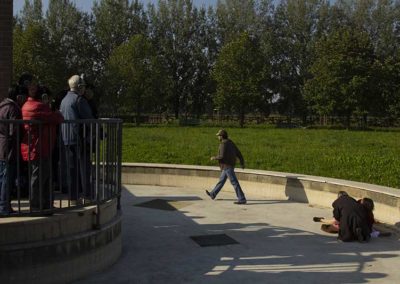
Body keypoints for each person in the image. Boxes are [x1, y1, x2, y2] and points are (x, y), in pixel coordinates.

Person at [20, 77, 64, 211]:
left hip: (36, 146)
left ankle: (43, 204)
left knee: (41, 177)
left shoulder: (27, 105)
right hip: (39, 147)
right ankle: (37, 206)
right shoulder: (38, 107)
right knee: (39, 178)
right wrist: (55, 112)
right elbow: (57, 118)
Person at [60, 75, 95, 203]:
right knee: (84, 168)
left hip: (66, 138)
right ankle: (86, 196)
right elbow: (89, 118)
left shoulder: (64, 100)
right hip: (79, 139)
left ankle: (73, 197)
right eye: (84, 86)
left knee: (72, 169)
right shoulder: (79, 100)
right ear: (79, 87)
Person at [206, 129, 247, 204]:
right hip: (229, 165)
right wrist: (242, 162)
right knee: (221, 181)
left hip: (227, 166)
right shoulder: (231, 142)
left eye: (219, 136)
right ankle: (213, 194)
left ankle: (242, 198)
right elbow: (238, 153)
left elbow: (221, 156)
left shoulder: (223, 144)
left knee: (234, 182)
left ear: (222, 136)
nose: (218, 137)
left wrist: (214, 157)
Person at [0, 86, 23, 216]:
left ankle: (2, 205)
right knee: (7, 178)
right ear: (18, 96)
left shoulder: (2, 105)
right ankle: (4, 207)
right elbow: (13, 130)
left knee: (2, 178)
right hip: (9, 148)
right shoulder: (13, 108)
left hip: (1, 146)